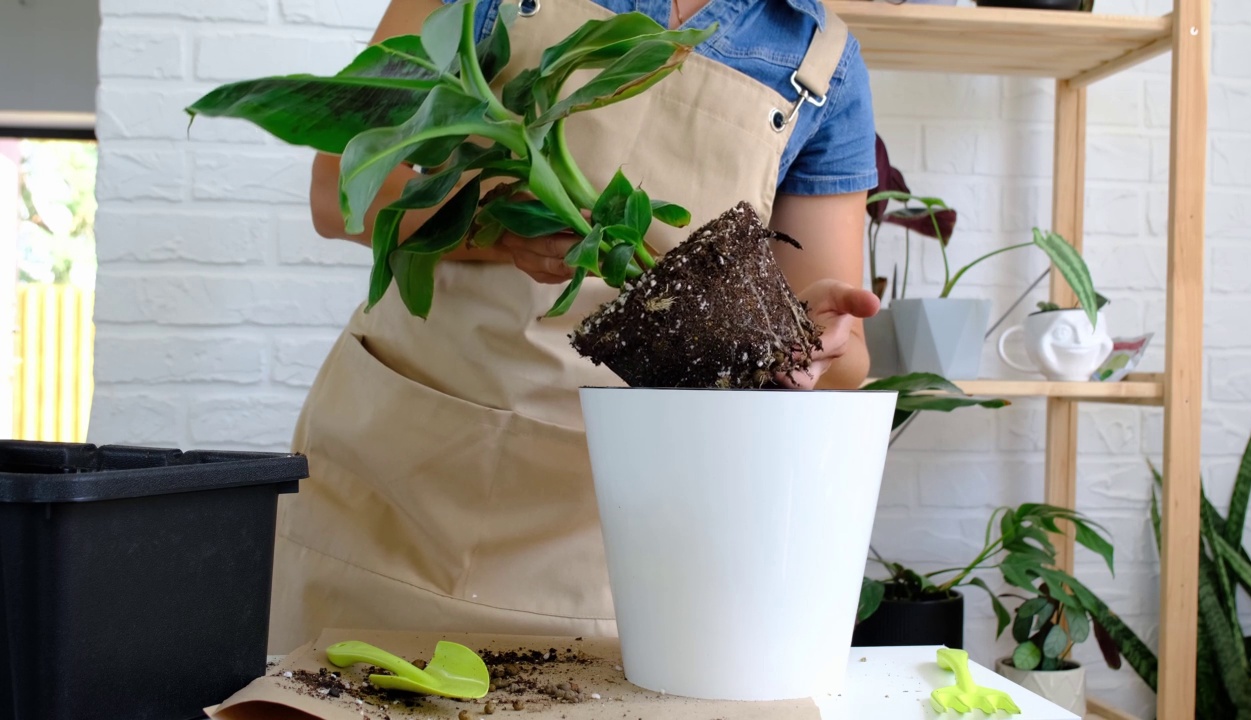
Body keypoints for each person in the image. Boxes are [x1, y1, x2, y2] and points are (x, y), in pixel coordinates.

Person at [267, 0, 881, 654]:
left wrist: (799, 332)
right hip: (396, 492)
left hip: (612, 534)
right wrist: (506, 229)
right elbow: (342, 188)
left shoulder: (820, 64)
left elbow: (843, 360)